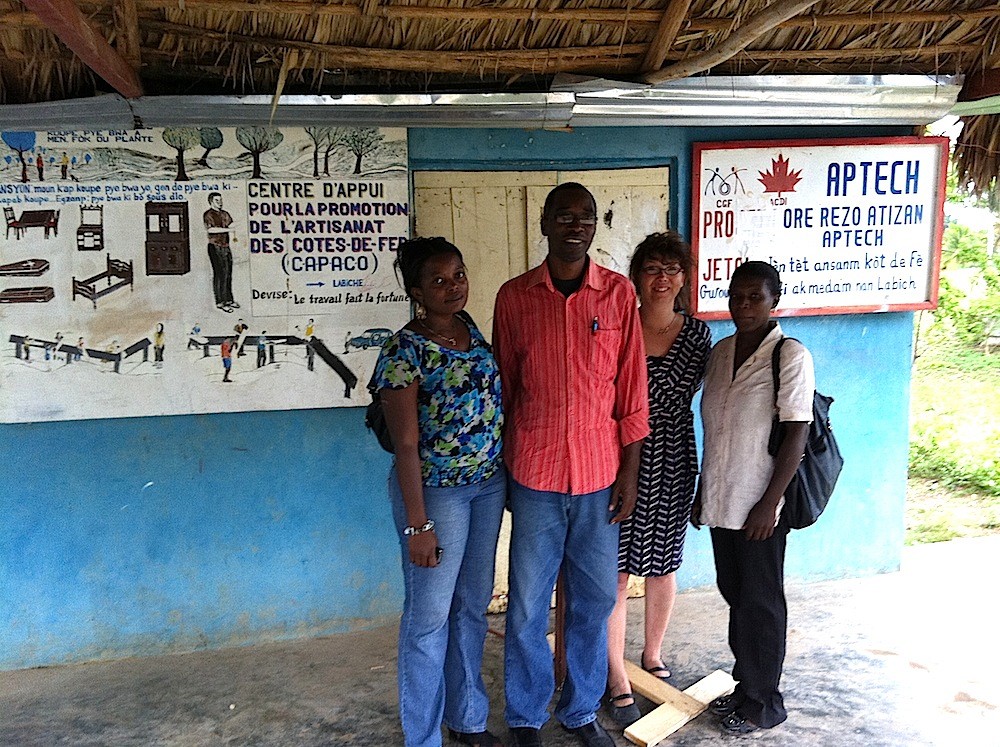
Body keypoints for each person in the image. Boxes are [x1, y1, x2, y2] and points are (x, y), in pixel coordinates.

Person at [493, 183, 649, 747]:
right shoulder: (514, 298)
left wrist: (629, 472)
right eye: (564, 216)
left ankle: (581, 710)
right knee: (527, 605)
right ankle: (526, 714)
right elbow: (505, 388)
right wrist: (503, 471)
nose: (575, 225)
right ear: (545, 223)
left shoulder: (618, 295)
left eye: (585, 217)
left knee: (595, 600)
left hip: (599, 478)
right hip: (534, 474)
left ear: (594, 226)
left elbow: (632, 390)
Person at [370, 237, 506, 747]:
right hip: (437, 496)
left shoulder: (470, 330)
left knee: (471, 608)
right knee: (428, 620)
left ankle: (467, 719)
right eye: (439, 281)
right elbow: (405, 444)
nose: (453, 287)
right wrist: (418, 524)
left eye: (458, 275)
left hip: (486, 487)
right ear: (416, 292)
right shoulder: (403, 351)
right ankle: (423, 737)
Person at [694, 261, 814, 736]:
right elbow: (718, 429)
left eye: (755, 297)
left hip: (760, 504)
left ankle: (764, 704)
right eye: (736, 296)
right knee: (736, 595)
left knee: (761, 603)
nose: (743, 305)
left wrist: (769, 504)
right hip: (722, 497)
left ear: (773, 301)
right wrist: (703, 491)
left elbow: (796, 433)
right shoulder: (721, 352)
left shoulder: (789, 355)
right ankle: (746, 685)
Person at [605, 232, 712, 727]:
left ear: (684, 278)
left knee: (663, 564)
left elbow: (689, 395)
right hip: (621, 456)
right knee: (616, 570)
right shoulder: (619, 327)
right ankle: (616, 673)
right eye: (652, 268)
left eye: (672, 269)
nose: (662, 278)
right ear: (637, 277)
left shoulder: (698, 336)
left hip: (673, 456)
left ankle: (652, 653)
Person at [203, 192, 238, 312]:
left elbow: (231, 223)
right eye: (217, 200)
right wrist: (228, 230)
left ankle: (229, 300)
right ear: (211, 202)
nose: (220, 203)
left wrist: (236, 225)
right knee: (220, 274)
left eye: (221, 200)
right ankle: (220, 302)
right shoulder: (208, 214)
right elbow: (211, 230)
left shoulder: (225, 214)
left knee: (228, 273)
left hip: (225, 246)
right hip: (215, 247)